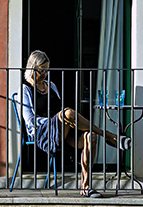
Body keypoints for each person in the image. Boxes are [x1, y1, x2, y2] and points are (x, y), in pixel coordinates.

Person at [21, 49, 129, 198]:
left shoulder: (50, 85)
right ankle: (109, 135)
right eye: (42, 71)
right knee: (68, 113)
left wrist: (62, 119)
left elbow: (59, 107)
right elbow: (30, 120)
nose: (45, 74)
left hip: (62, 130)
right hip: (44, 133)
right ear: (32, 68)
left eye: (47, 70)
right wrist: (54, 120)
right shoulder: (26, 89)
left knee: (90, 136)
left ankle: (86, 187)